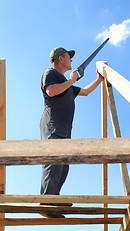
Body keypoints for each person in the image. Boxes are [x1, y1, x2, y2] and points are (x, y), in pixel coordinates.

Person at [40, 47, 104, 218]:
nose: (71, 60)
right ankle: (47, 202)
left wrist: (99, 79)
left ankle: (55, 200)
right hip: (53, 126)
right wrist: (70, 81)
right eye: (69, 57)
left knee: (63, 166)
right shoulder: (50, 73)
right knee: (53, 163)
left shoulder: (67, 84)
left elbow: (86, 92)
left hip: (65, 129)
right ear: (61, 59)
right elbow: (51, 91)